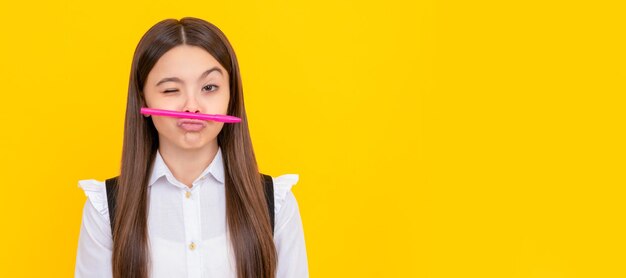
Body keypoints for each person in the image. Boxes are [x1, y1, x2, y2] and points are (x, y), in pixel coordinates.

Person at [75, 17, 308, 278]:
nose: (192, 107)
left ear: (231, 97)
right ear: (143, 99)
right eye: (171, 89)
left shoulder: (277, 204)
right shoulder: (104, 209)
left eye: (209, 87)